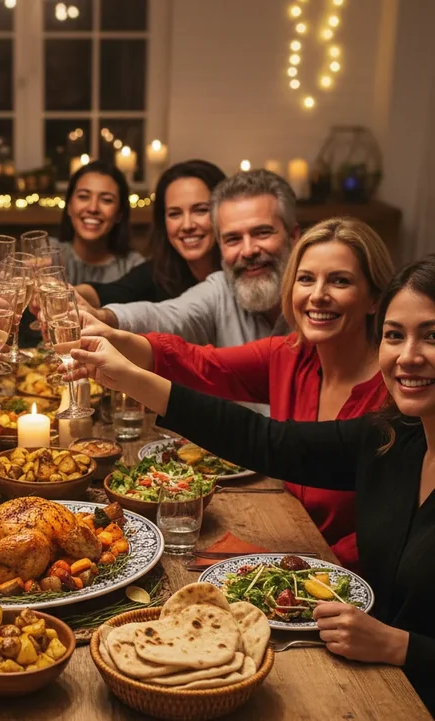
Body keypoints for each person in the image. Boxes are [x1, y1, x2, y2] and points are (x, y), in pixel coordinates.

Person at [67, 255, 435, 712]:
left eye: (432, 336)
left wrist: (401, 646)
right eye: (395, 335)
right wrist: (128, 377)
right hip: (368, 675)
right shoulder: (393, 437)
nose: (409, 356)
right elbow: (264, 440)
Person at [136, 218, 396, 569]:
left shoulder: (396, 390)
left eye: (340, 280)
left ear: (374, 300)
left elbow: (387, 532)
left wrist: (306, 568)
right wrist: (108, 338)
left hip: (346, 579)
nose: (318, 294)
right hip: (285, 545)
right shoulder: (289, 353)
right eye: (306, 279)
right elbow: (198, 363)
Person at [83, 169, 297, 351]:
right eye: (233, 239)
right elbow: (168, 316)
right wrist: (104, 317)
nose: (248, 250)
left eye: (262, 233)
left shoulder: (318, 295)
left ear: (294, 236)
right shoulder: (220, 288)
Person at [75, 160, 225, 307]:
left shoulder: (242, 271)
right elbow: (115, 292)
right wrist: (69, 293)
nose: (187, 225)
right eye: (174, 214)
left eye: (201, 210)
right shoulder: (157, 272)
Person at [53, 160, 145, 286]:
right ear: (69, 206)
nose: (93, 208)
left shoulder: (134, 267)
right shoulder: (49, 255)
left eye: (106, 200)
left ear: (119, 213)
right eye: (83, 197)